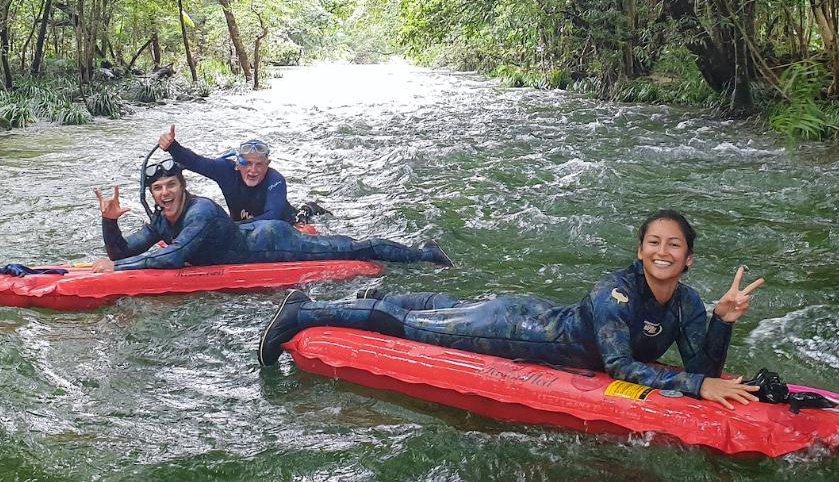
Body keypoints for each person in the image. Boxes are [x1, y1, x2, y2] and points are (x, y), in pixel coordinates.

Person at [257, 210, 762, 409]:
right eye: (654, 242)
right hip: (518, 329)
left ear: (688, 258)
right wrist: (698, 386)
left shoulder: (690, 303)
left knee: (446, 311)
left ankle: (375, 297)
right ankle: (303, 312)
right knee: (415, 328)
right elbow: (621, 368)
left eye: (674, 245)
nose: (663, 251)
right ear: (640, 250)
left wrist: (721, 324)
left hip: (535, 314)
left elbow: (703, 370)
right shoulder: (617, 292)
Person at [90, 155, 453, 272]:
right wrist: (110, 223)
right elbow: (124, 252)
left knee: (356, 247)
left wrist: (117, 270)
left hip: (271, 242)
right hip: (246, 238)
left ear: (183, 188)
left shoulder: (201, 212)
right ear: (152, 195)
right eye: (159, 188)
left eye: (172, 185)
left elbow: (174, 256)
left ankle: (425, 254)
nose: (165, 192)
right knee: (352, 245)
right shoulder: (160, 219)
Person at [154, 125, 295, 224]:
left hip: (283, 228)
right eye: (247, 164)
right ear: (238, 164)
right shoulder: (227, 171)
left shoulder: (275, 180)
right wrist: (172, 147)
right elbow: (196, 162)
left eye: (259, 164)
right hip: (241, 229)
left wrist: (230, 228)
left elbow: (273, 218)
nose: (253, 170)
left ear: (267, 164)